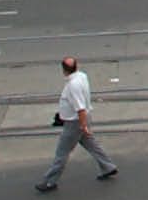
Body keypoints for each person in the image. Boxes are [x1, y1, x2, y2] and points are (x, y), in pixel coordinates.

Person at [35, 56, 117, 192]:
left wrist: (83, 125)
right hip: (82, 119)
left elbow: (80, 108)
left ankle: (49, 181)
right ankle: (108, 167)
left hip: (75, 123)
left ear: (64, 70)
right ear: (76, 66)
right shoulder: (82, 76)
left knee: (62, 152)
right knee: (91, 144)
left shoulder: (73, 85)